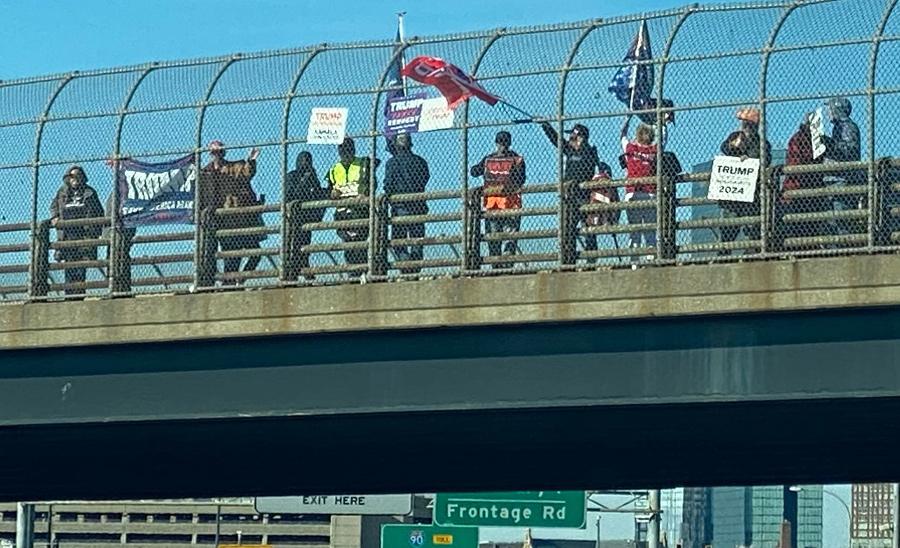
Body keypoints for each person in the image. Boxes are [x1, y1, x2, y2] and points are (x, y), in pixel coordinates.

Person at [540, 122, 607, 260]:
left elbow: (587, 171)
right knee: (568, 228)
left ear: (580, 137)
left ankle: (591, 260)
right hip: (570, 198)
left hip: (585, 197)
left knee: (589, 230)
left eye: (573, 135)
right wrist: (546, 126)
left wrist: (575, 182)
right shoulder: (570, 150)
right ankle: (569, 259)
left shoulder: (589, 152)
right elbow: (557, 140)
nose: (570, 138)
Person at [199, 140, 263, 283]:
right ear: (211, 154)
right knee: (229, 255)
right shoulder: (206, 172)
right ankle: (228, 282)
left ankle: (238, 279)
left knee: (253, 253)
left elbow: (247, 172)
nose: (218, 155)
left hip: (239, 219)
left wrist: (251, 161)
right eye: (215, 152)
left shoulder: (233, 167)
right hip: (219, 221)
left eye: (220, 152)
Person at [718, 107, 771, 252]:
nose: (743, 126)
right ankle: (723, 253)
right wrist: (732, 146)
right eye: (743, 123)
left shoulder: (761, 143)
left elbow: (764, 159)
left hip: (751, 192)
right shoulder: (736, 136)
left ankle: (751, 253)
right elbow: (724, 147)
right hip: (733, 192)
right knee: (729, 226)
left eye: (747, 123)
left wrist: (749, 159)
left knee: (752, 226)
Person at [470, 131, 525, 269]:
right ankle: (498, 266)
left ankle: (504, 266)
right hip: (497, 204)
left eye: (504, 143)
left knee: (506, 239)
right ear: (497, 143)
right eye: (501, 143)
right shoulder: (494, 159)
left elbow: (521, 180)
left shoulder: (512, 159)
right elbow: (474, 171)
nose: (502, 146)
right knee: (498, 238)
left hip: (506, 203)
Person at [49, 165, 104, 295]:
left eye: (78, 175)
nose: (75, 178)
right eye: (72, 176)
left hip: (85, 234)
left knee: (81, 267)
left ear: (82, 177)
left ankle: (79, 294)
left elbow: (99, 212)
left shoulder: (90, 192)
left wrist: (96, 233)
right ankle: (69, 294)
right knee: (69, 265)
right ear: (68, 178)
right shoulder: (62, 192)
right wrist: (55, 217)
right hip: (67, 234)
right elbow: (53, 207)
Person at [326, 137, 378, 268]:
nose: (345, 153)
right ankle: (352, 272)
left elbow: (373, 183)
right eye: (343, 150)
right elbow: (328, 190)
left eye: (348, 150)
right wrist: (332, 193)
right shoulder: (334, 169)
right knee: (348, 244)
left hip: (360, 210)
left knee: (360, 242)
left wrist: (365, 194)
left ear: (353, 150)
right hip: (342, 212)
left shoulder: (362, 163)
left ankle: (364, 270)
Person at [384, 133, 430, 273]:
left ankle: (406, 266)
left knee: (398, 242)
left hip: (400, 206)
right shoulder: (420, 161)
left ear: (397, 146)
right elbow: (425, 178)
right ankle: (414, 269)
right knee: (417, 240)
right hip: (418, 205)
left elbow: (388, 185)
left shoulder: (392, 163)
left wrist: (391, 192)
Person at [780, 111, 827, 246]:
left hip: (813, 188)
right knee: (798, 224)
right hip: (798, 187)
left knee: (813, 224)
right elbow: (795, 163)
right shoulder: (798, 139)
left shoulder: (818, 140)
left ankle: (810, 247)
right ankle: (798, 248)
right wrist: (811, 169)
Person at [822, 96, 864, 235]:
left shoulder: (847, 126)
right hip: (835, 180)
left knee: (840, 220)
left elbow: (848, 150)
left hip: (842, 180)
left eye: (830, 108)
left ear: (837, 109)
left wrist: (827, 143)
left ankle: (843, 248)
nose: (828, 111)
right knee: (832, 220)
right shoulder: (839, 127)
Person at [620, 116, 659, 253]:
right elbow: (664, 138)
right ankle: (651, 259)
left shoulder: (630, 148)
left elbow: (622, 135)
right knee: (650, 232)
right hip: (650, 193)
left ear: (637, 135)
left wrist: (627, 119)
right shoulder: (654, 150)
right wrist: (658, 122)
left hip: (633, 193)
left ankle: (634, 263)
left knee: (634, 231)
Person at [285, 151, 327, 277]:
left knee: (305, 249)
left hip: (307, 217)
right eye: (303, 160)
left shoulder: (312, 177)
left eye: (308, 160)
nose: (306, 163)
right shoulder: (292, 176)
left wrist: (327, 191)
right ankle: (292, 275)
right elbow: (290, 195)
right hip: (293, 220)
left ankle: (307, 275)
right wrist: (304, 179)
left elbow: (318, 193)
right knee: (293, 249)